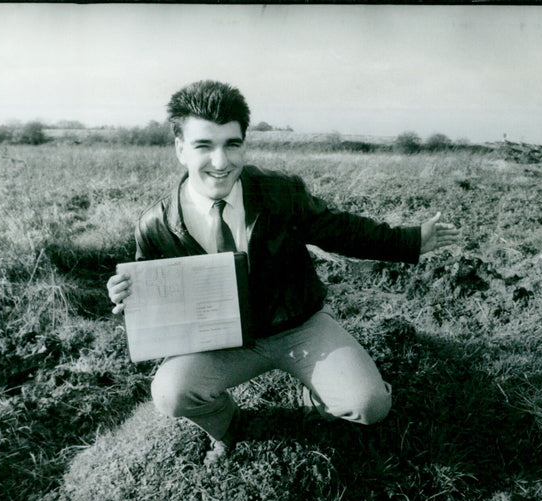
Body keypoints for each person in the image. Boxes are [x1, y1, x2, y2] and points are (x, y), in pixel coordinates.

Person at [107, 80, 459, 465]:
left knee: (370, 405)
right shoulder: (156, 224)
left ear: (244, 143)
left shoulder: (280, 193)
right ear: (180, 149)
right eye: (204, 146)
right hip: (219, 343)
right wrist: (128, 299)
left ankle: (314, 395)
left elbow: (341, 230)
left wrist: (410, 241)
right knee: (171, 393)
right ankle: (229, 429)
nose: (221, 162)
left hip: (299, 325)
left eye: (232, 144)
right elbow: (149, 287)